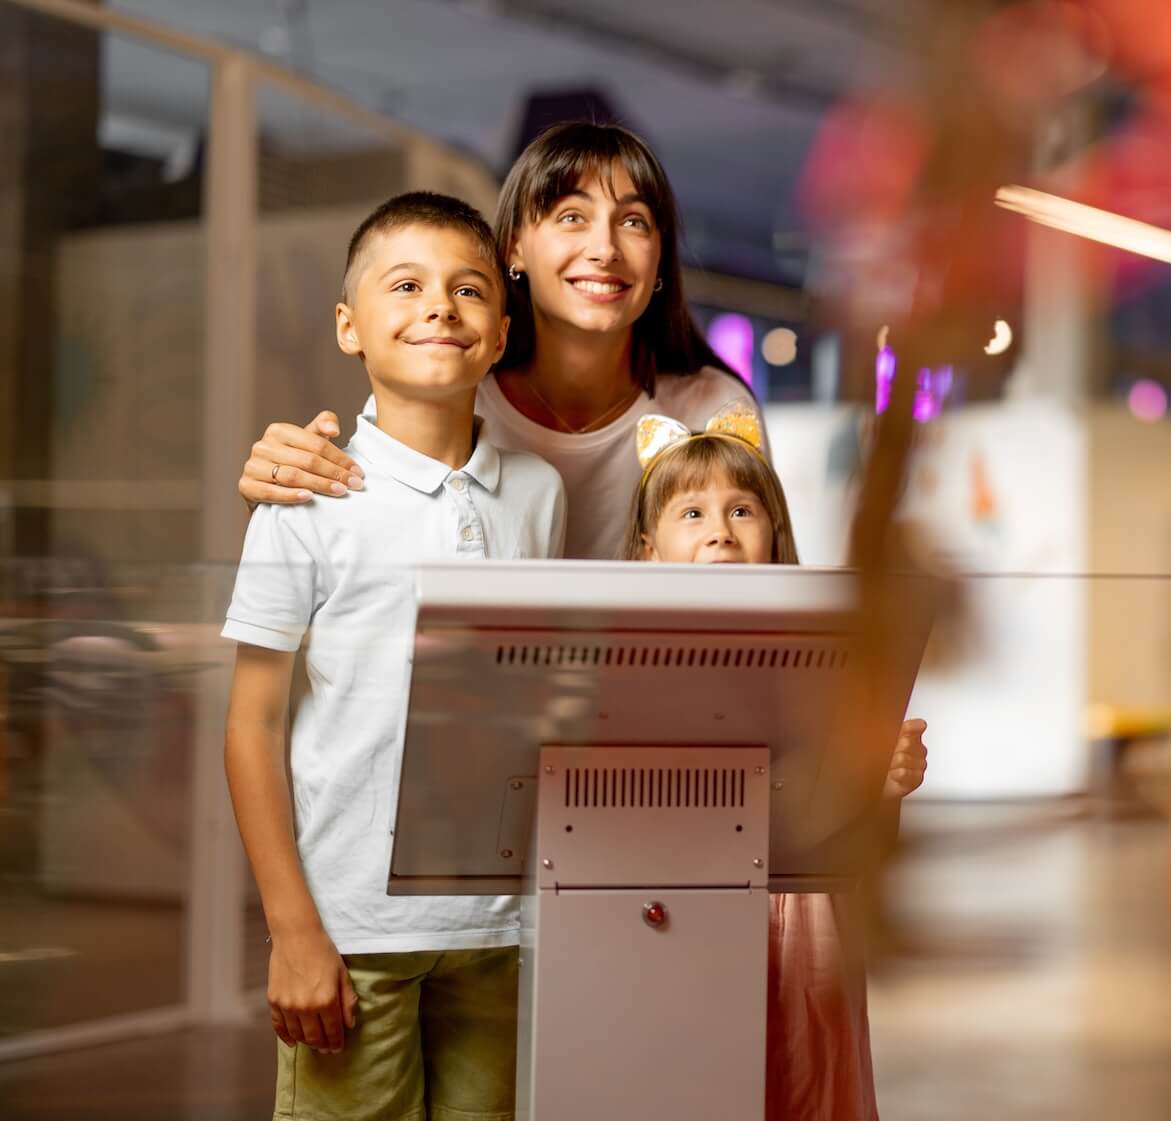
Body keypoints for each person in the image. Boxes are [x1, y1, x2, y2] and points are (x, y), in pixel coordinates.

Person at [223, 192, 566, 1120]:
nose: (441, 308)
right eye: (406, 284)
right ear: (350, 326)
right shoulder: (305, 495)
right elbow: (251, 722)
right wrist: (293, 927)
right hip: (352, 929)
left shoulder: (540, 493)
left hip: (498, 929)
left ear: (500, 333)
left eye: (470, 290)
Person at [236, 120, 757, 560]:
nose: (604, 248)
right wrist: (287, 481)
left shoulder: (713, 408)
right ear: (513, 250)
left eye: (635, 222)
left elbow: (758, 598)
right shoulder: (457, 391)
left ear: (661, 259)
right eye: (572, 216)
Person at [627, 404, 928, 1121]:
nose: (720, 530)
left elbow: (850, 817)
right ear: (647, 549)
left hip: (803, 910)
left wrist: (883, 781)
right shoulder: (632, 663)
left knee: (810, 1077)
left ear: (775, 535)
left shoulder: (821, 654)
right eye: (691, 513)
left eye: (741, 509)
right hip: (685, 911)